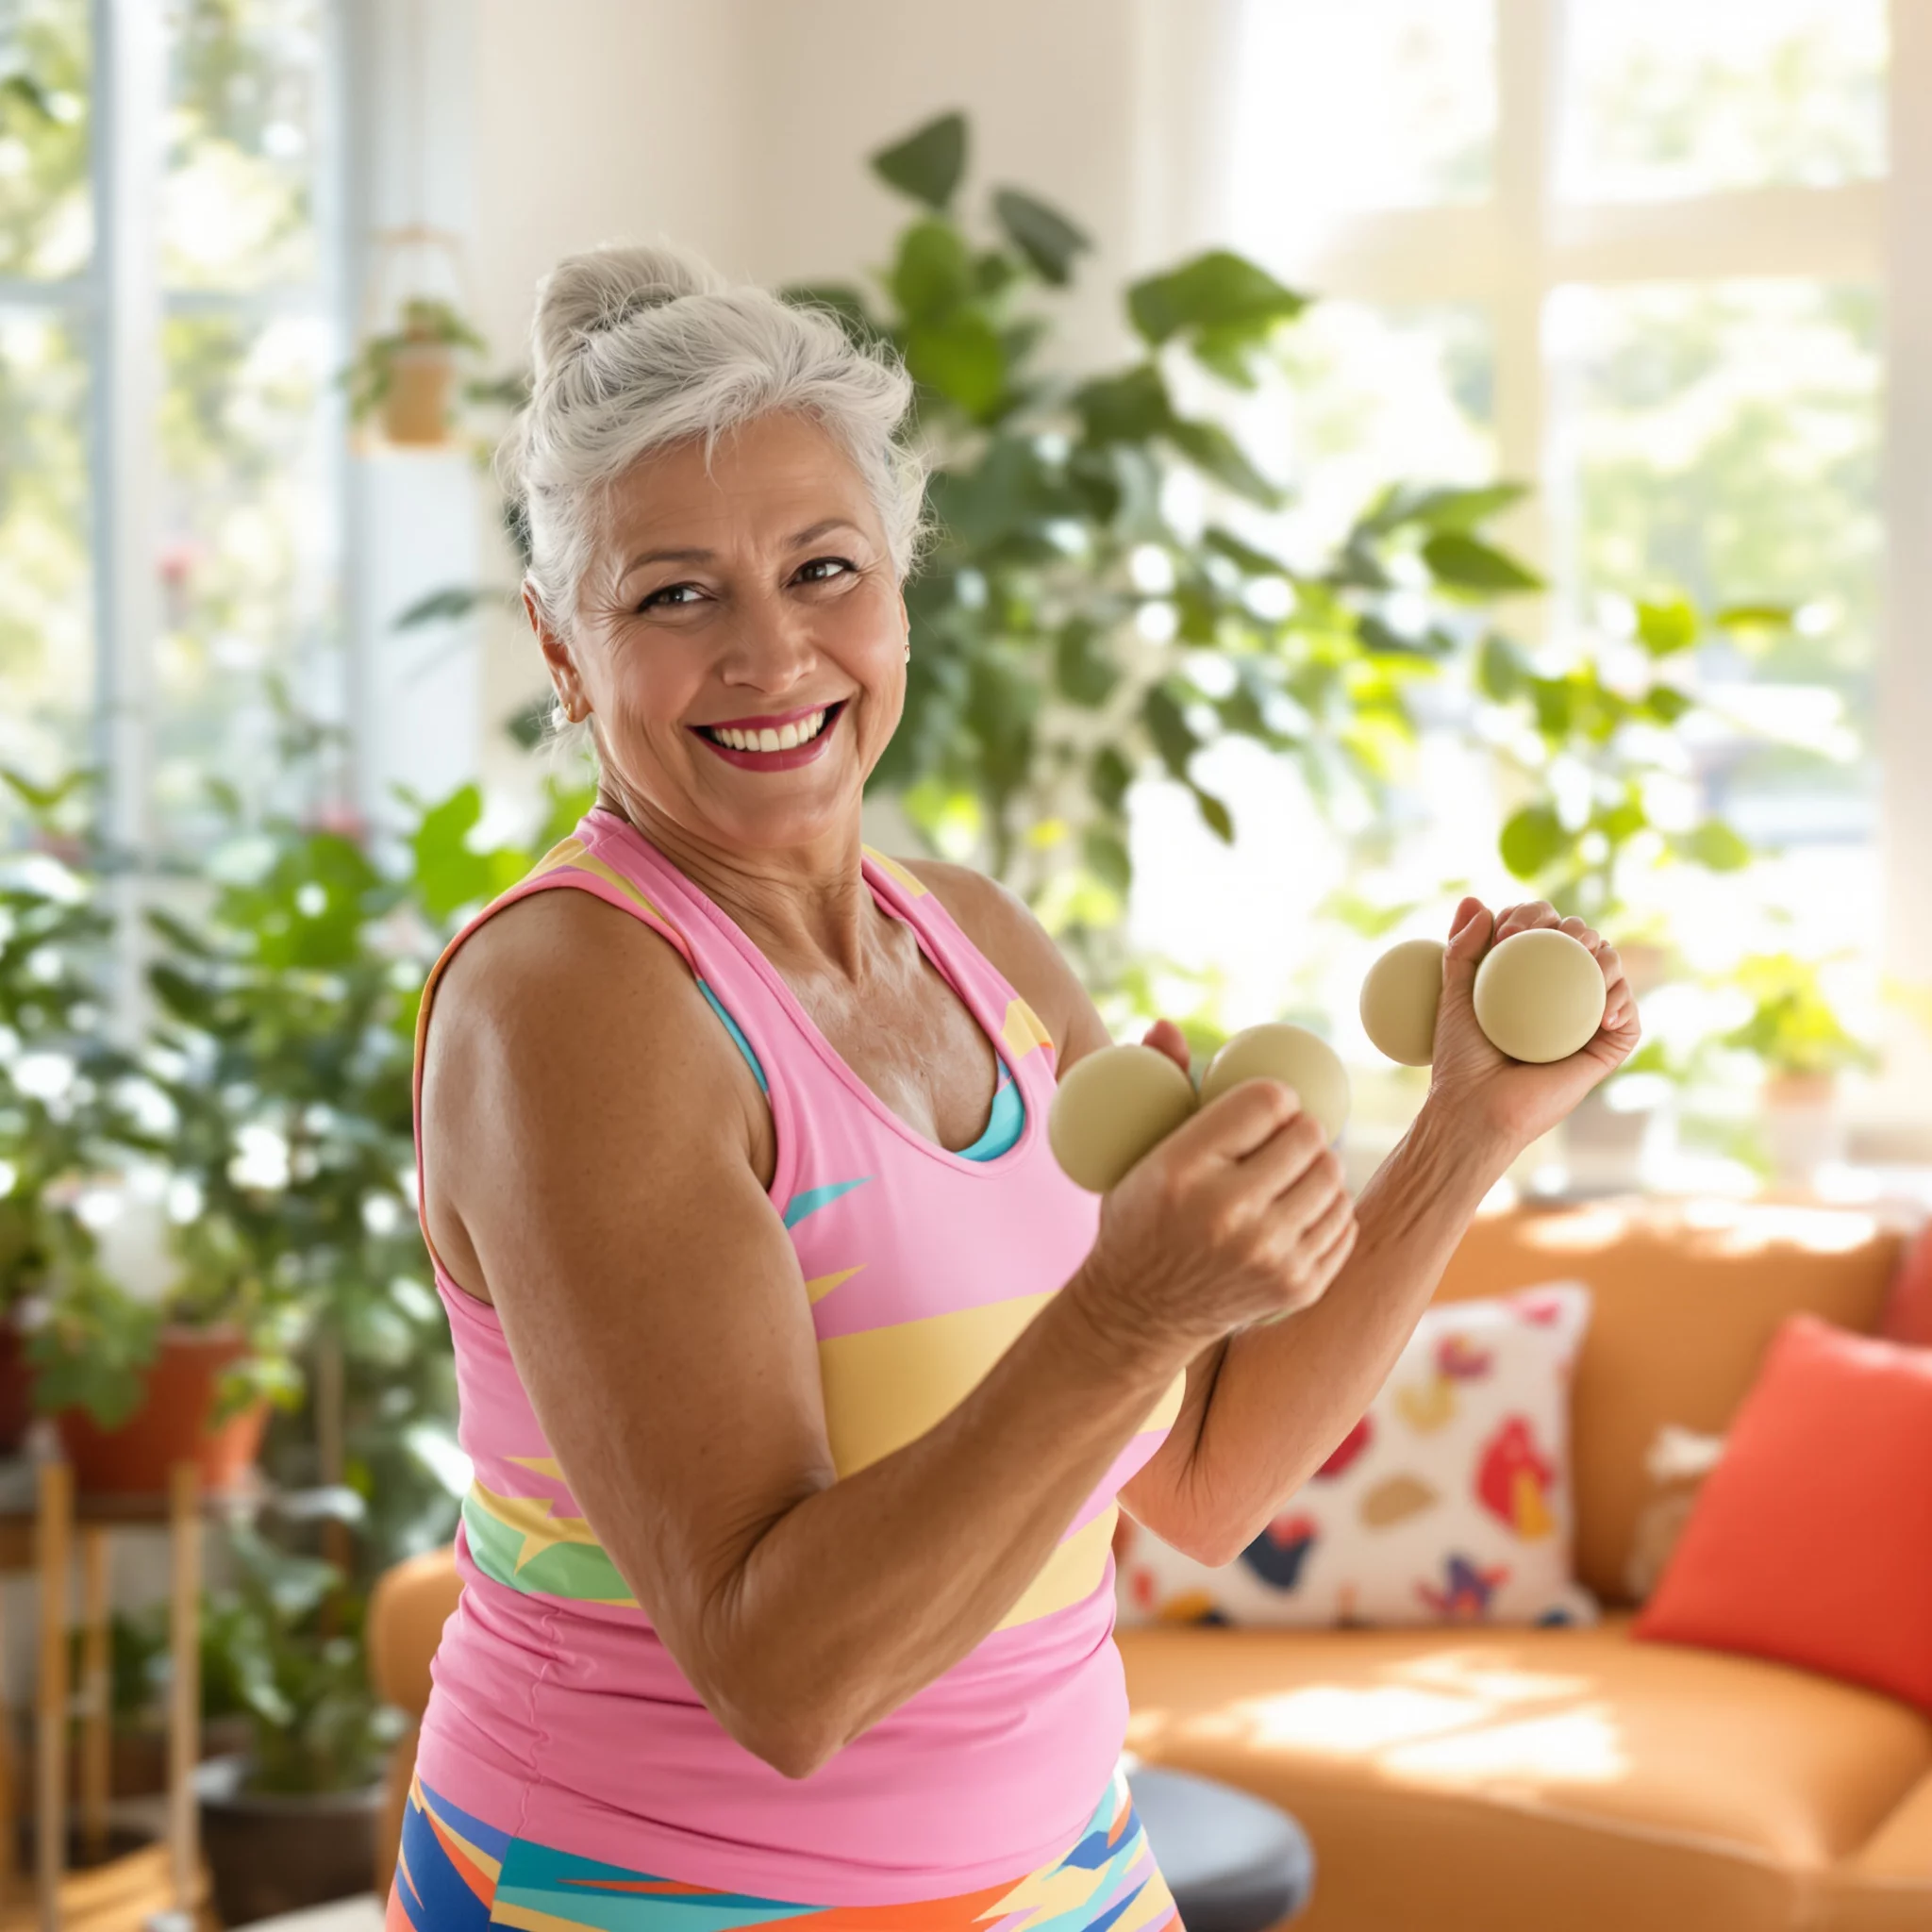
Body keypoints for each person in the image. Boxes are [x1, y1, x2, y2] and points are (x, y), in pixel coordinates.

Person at [392, 242, 1639, 1932]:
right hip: (648, 1892)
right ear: (560, 647)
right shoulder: (575, 1003)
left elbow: (1203, 1480)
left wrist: (1464, 1131)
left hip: (1063, 1867)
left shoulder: (972, 941)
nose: (771, 654)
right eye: (673, 595)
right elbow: (783, 1680)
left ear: (900, 589)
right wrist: (1123, 1316)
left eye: (824, 569)